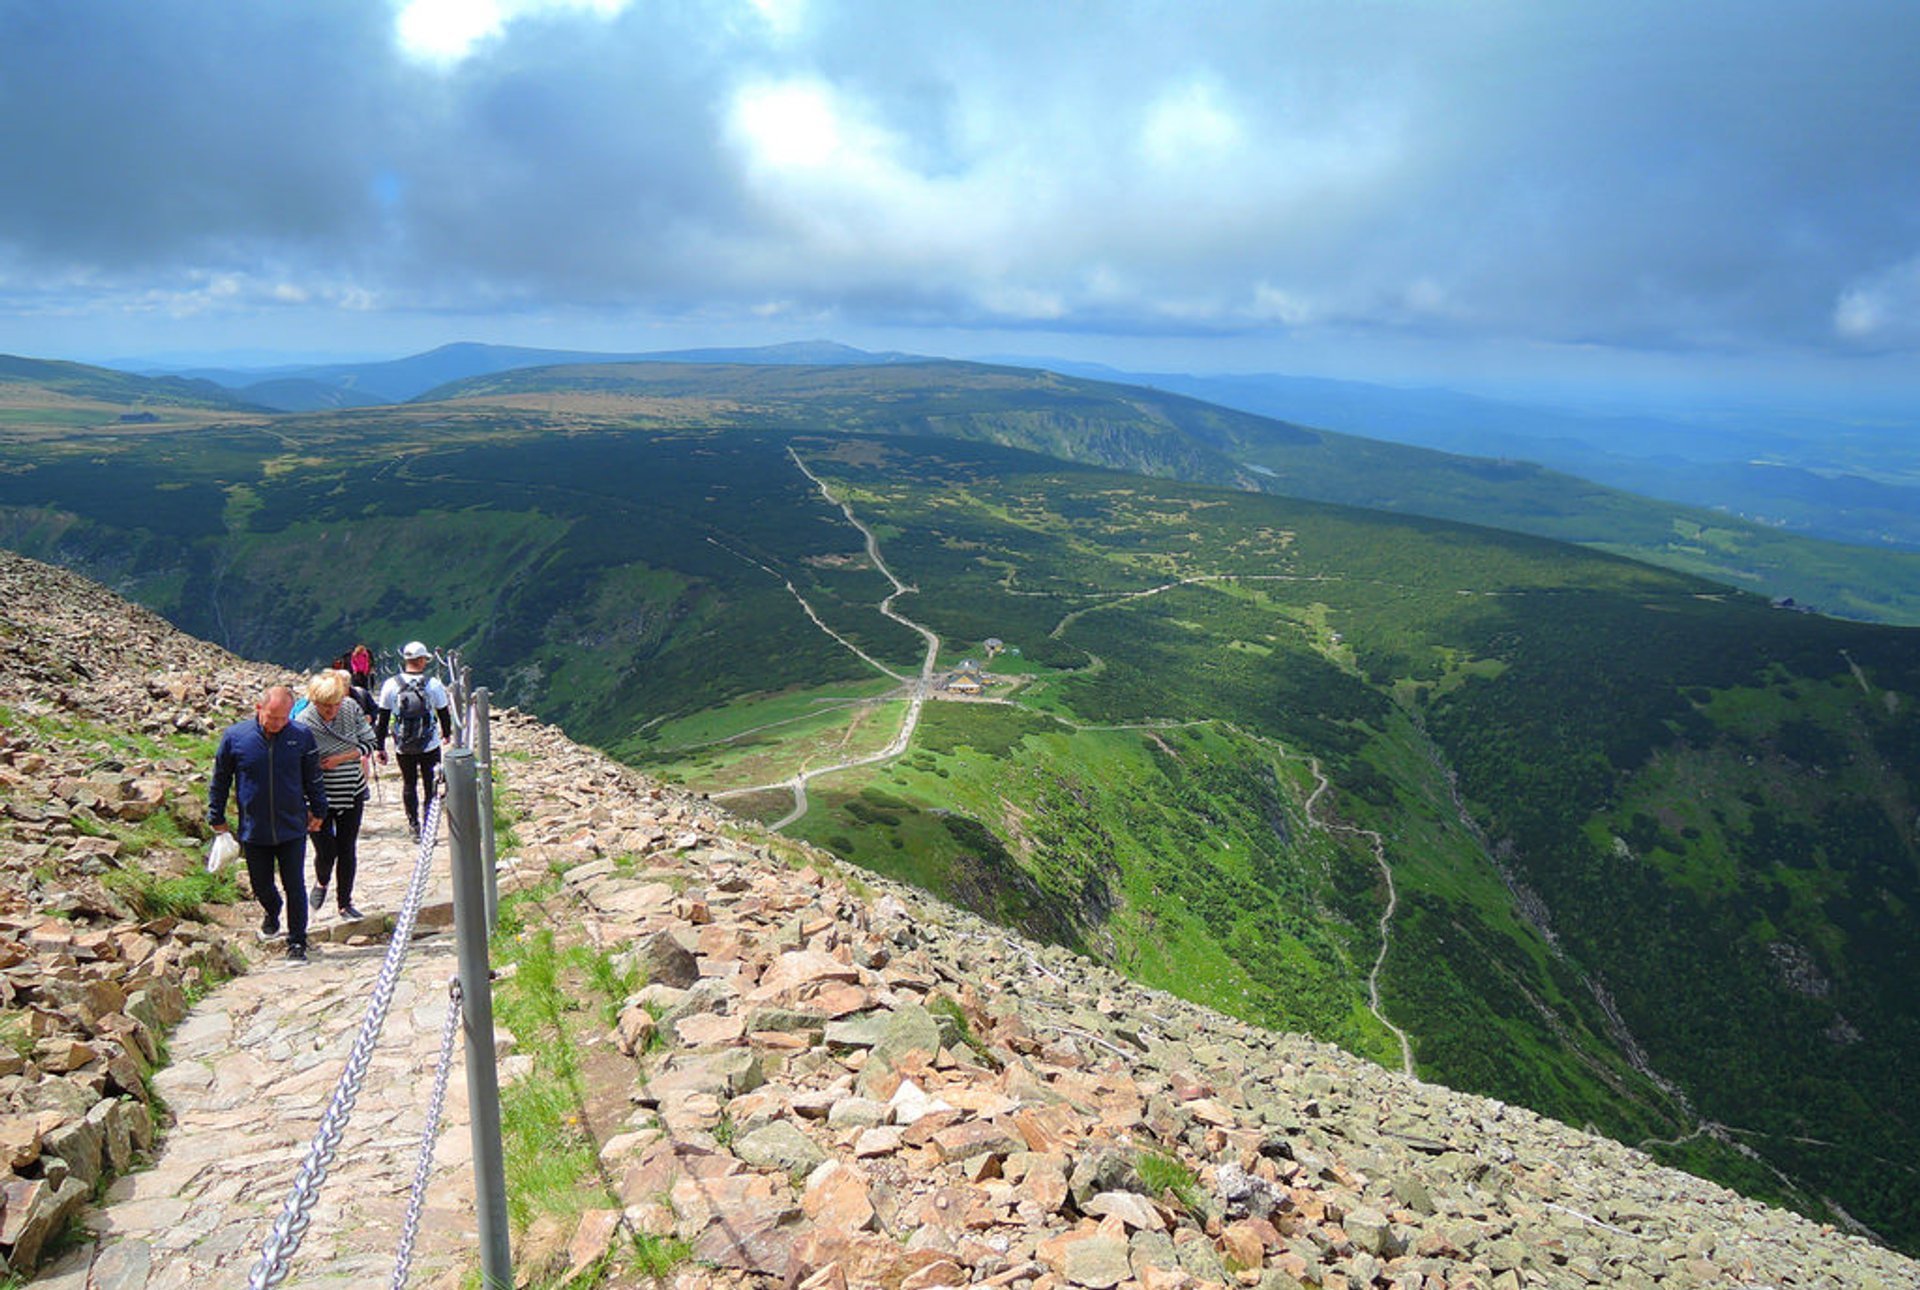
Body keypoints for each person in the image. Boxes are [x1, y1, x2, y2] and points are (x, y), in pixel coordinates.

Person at [207, 684, 326, 963]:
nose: (277, 724)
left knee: (294, 883)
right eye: (272, 717)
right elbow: (220, 779)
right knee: (261, 884)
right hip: (253, 827)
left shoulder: (301, 736)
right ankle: (272, 910)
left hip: (292, 825)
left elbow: (313, 776)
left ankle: (297, 941)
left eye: (283, 718)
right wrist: (217, 818)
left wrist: (319, 810)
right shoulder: (236, 737)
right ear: (258, 709)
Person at [299, 670, 377, 919]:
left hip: (352, 789)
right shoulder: (303, 723)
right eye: (325, 706)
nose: (331, 710)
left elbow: (369, 741)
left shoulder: (351, 708)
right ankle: (322, 881)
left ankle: (345, 902)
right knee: (326, 850)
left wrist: (341, 758)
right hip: (320, 797)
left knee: (347, 848)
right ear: (314, 701)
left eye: (335, 704)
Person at [375, 640, 453, 840]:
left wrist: (379, 747)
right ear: (420, 660)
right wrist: (446, 734)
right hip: (430, 743)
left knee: (409, 783)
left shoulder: (391, 685)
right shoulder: (433, 684)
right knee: (430, 784)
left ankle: (413, 825)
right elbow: (443, 712)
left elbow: (383, 718)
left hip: (403, 744)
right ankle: (429, 826)